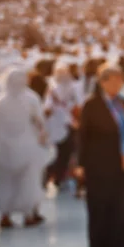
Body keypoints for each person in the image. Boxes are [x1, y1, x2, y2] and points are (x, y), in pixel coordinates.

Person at [70, 65, 124, 247]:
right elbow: (83, 136)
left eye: (120, 80)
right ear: (102, 82)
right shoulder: (92, 105)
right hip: (99, 165)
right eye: (113, 80)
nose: (117, 84)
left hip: (122, 165)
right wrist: (81, 164)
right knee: (101, 208)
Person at [0, 69, 53, 229]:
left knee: (5, 182)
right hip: (28, 147)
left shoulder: (0, 100)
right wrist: (44, 138)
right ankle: (28, 215)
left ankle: (5, 215)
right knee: (28, 181)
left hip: (4, 149)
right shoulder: (31, 98)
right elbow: (39, 121)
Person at [44, 63, 82, 192]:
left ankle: (54, 176)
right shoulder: (74, 87)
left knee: (59, 153)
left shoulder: (52, 89)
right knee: (67, 153)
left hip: (56, 126)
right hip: (70, 124)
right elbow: (78, 106)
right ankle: (60, 177)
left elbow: (47, 109)